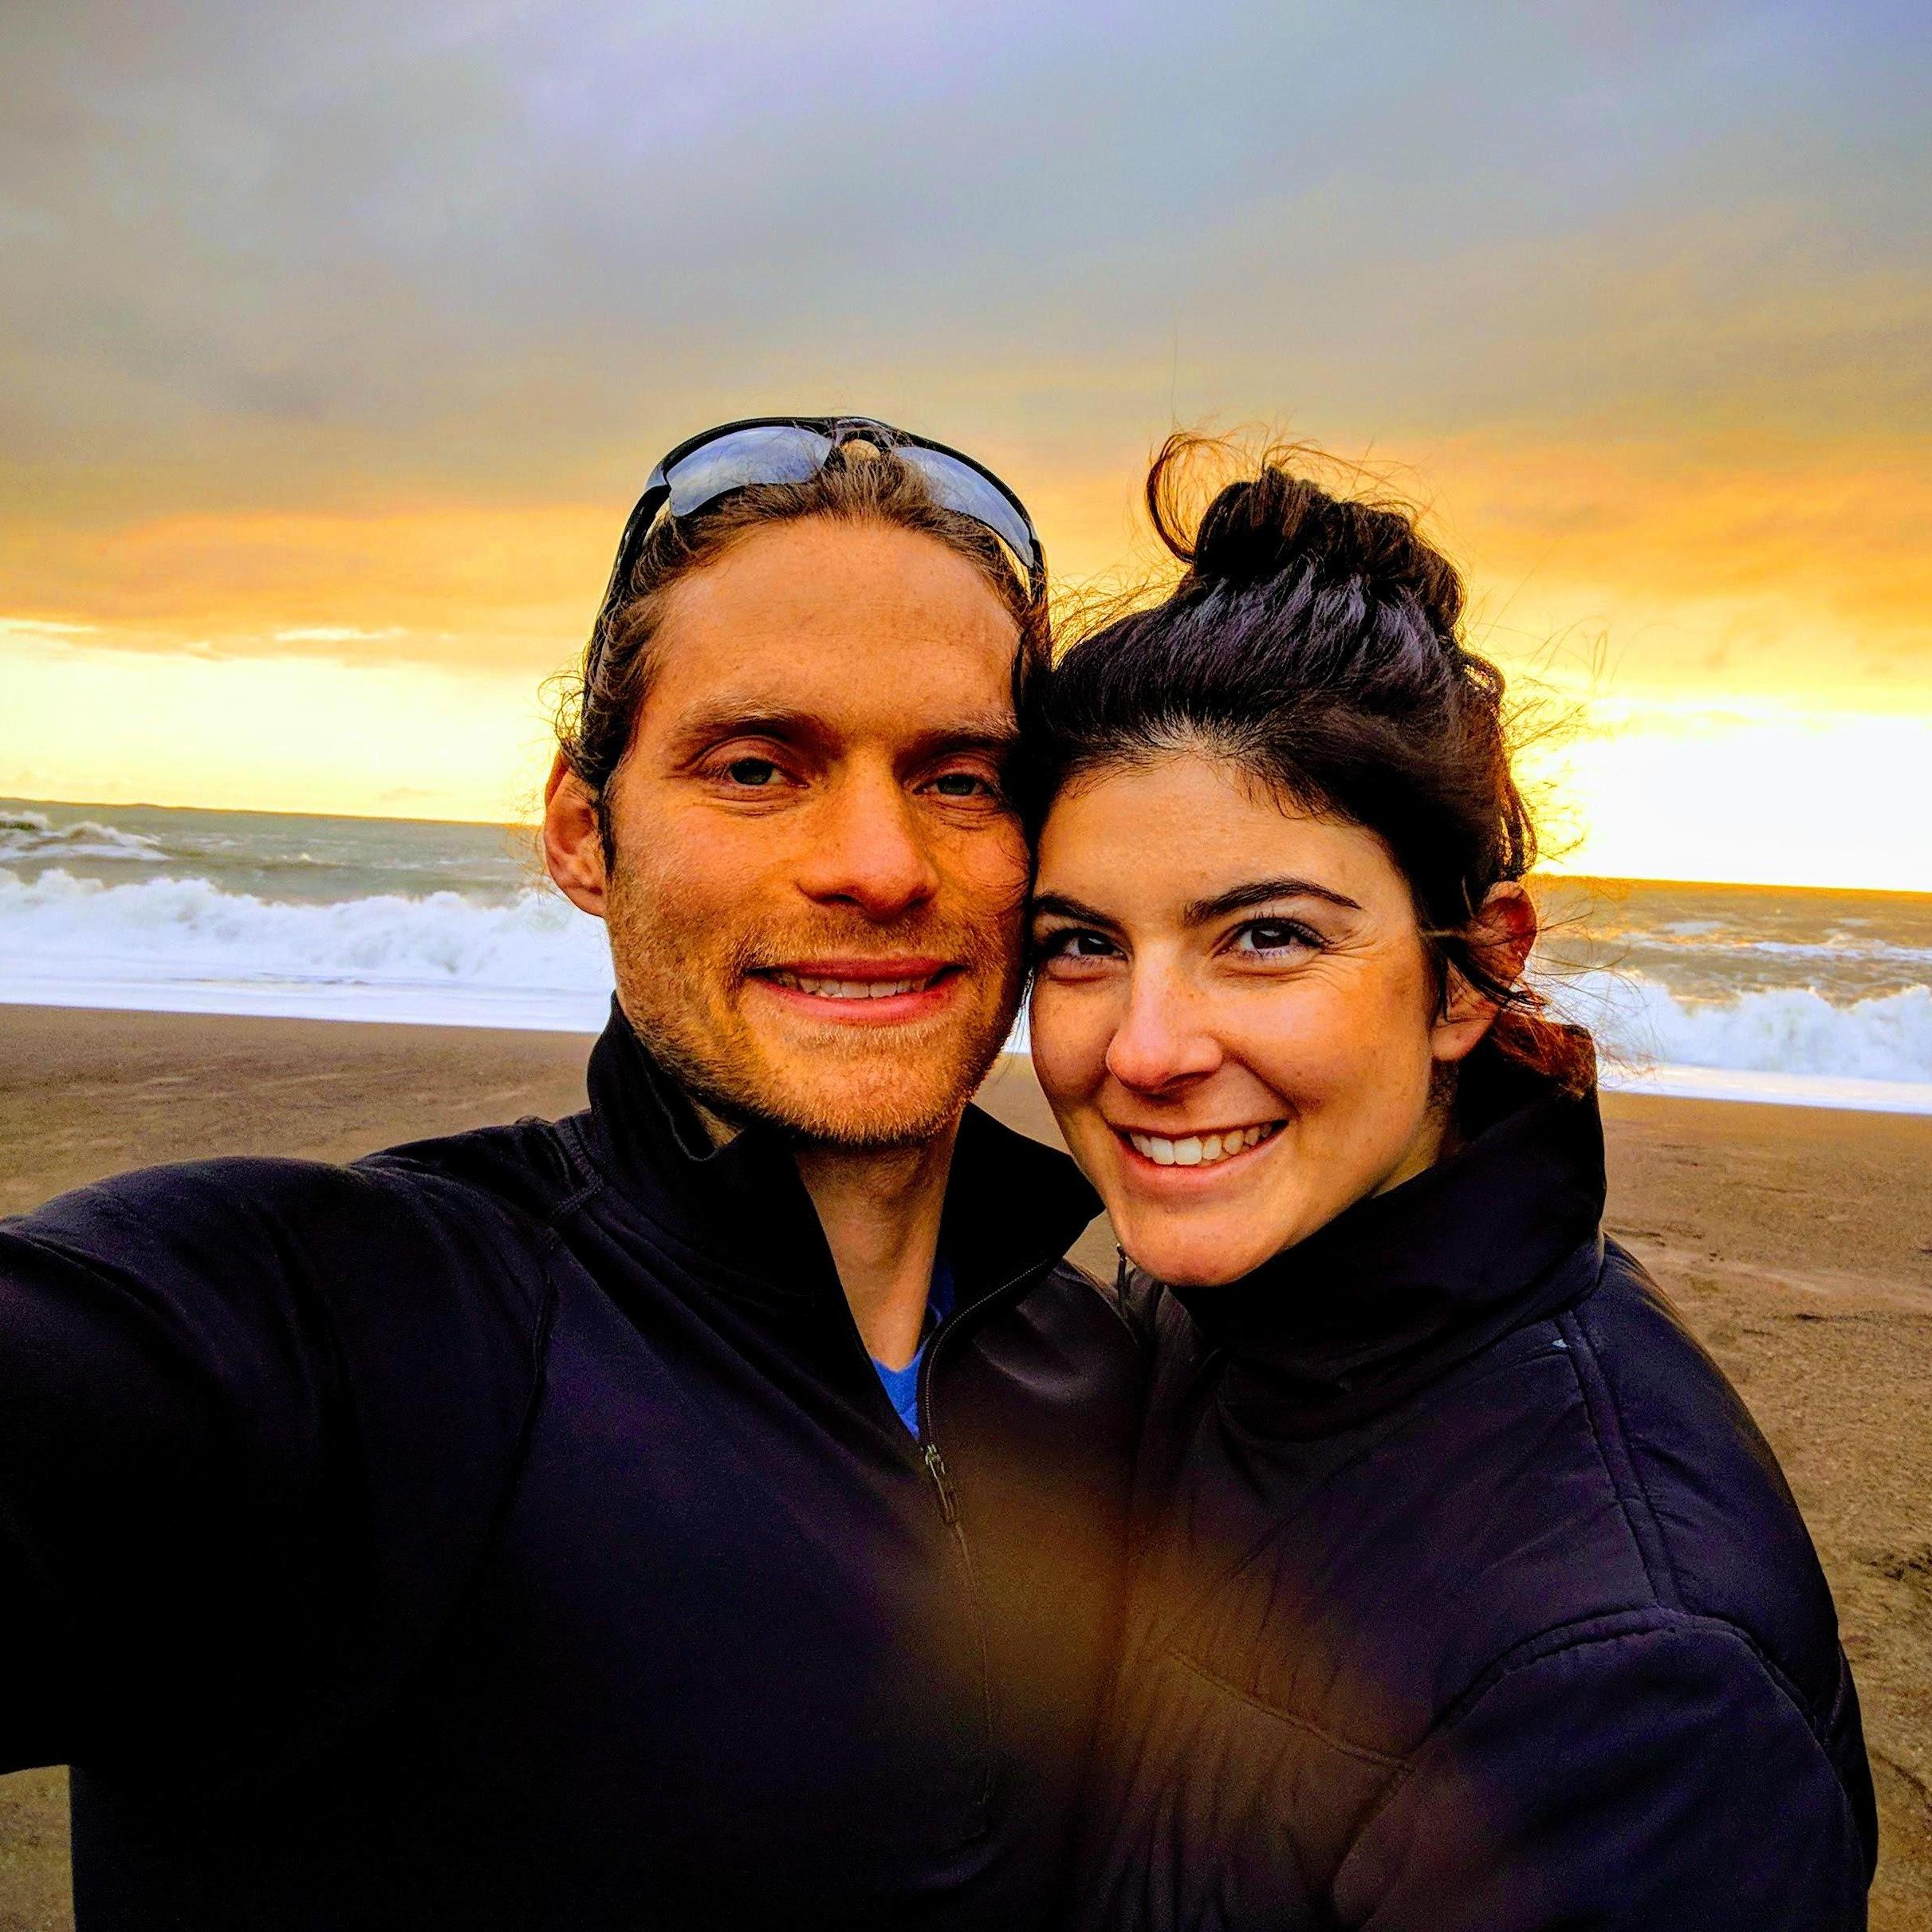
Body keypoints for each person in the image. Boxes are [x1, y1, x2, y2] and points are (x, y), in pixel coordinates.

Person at [0, 417, 1140, 1930]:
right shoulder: (354, 1332)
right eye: (757, 766)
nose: (878, 863)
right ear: (582, 833)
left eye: (964, 780)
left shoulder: (1102, 1367)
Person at [1020, 440, 1879, 1930]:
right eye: (1082, 944)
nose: (1145, 1050)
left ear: (1472, 976)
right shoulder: (1210, 1312)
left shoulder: (1632, 1691)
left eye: (1267, 937)